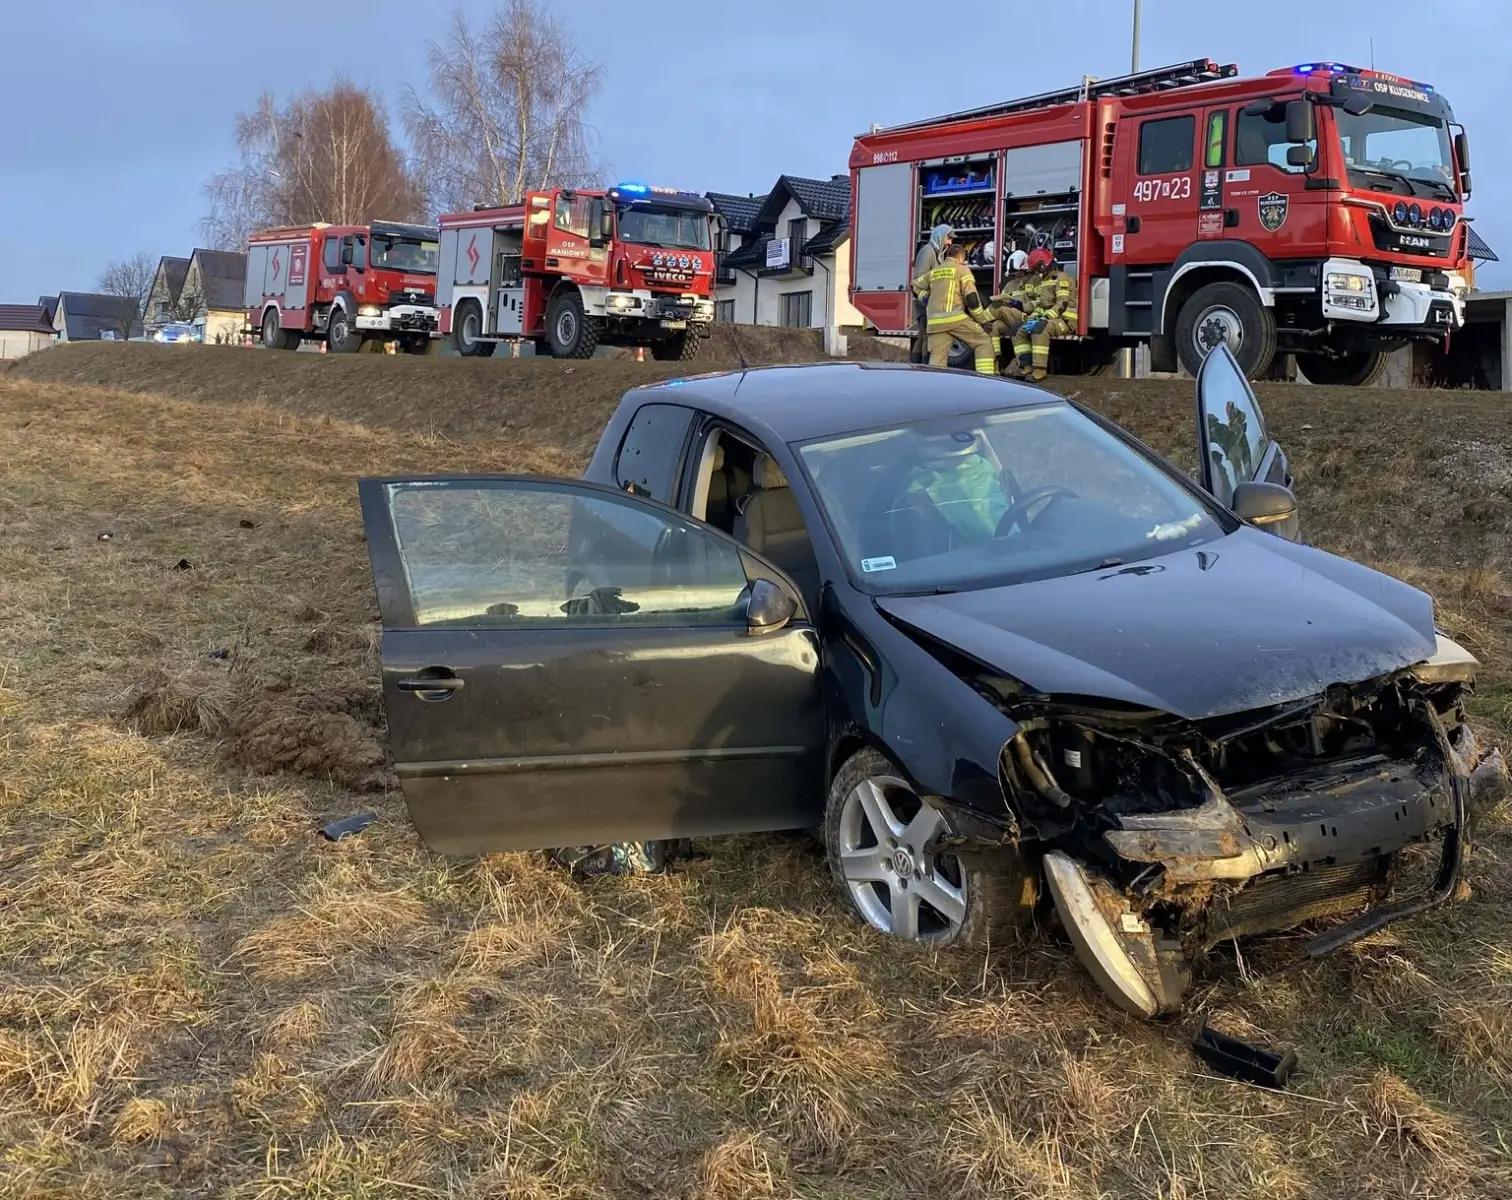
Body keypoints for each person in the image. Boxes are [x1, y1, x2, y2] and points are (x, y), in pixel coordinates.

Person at [912, 242, 995, 374]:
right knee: (983, 342)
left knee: (937, 360)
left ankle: (935, 389)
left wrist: (925, 298)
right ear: (961, 258)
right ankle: (987, 379)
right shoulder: (962, 269)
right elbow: (972, 299)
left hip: (934, 323)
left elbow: (915, 285)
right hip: (955, 319)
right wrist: (983, 321)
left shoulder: (935, 271)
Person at [1010, 249, 1079, 381]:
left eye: (1036, 268)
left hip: (1065, 320)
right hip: (1050, 318)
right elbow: (1040, 305)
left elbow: (1061, 304)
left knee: (1039, 328)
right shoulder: (1044, 281)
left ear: (1043, 265)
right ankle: (1026, 366)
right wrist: (1031, 315)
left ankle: (1039, 369)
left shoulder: (1061, 277)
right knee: (1017, 329)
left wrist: (1044, 318)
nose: (1035, 272)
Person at [985, 249, 1033, 375]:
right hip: (1010, 318)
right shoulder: (1010, 284)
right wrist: (1005, 300)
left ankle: (980, 319)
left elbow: (1039, 303)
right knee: (993, 326)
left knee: (1001, 310)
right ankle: (996, 362)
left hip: (1027, 318)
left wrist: (1020, 305)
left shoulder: (1035, 282)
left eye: (1018, 272)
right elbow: (1002, 298)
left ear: (1025, 268)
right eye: (1014, 273)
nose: (1016, 276)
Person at [910, 224, 953, 363]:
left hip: (930, 299)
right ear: (940, 236)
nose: (950, 243)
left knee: (923, 334)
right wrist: (926, 297)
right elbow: (919, 278)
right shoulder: (928, 251)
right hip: (924, 299)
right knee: (927, 334)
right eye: (948, 238)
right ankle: (923, 365)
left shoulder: (938, 253)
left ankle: (917, 365)